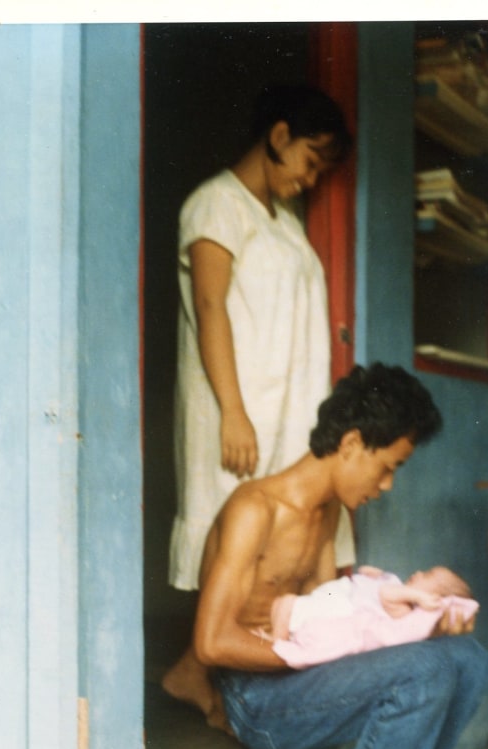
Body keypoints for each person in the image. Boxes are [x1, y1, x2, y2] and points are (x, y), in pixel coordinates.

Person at [170, 363, 488, 749]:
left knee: (468, 659)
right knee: (425, 669)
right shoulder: (255, 509)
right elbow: (210, 643)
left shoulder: (326, 514)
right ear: (351, 443)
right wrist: (310, 654)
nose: (386, 486)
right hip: (256, 701)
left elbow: (340, 620)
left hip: (302, 683)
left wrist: (427, 622)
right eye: (387, 467)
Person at [168, 83, 356, 593]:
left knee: (279, 532)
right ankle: (202, 665)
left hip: (286, 403)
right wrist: (232, 410)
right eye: (310, 161)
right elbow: (209, 307)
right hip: (237, 404)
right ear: (279, 135)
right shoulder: (215, 204)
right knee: (231, 526)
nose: (311, 178)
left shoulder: (286, 221)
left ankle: (250, 658)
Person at [268, 564, 480, 669]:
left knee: (286, 603)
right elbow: (380, 586)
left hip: (342, 605)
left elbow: (385, 594)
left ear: (433, 598)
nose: (418, 572)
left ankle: (277, 641)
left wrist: (418, 597)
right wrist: (376, 575)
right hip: (339, 594)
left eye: (427, 575)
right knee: (282, 604)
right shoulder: (401, 590)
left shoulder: (404, 609)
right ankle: (278, 637)